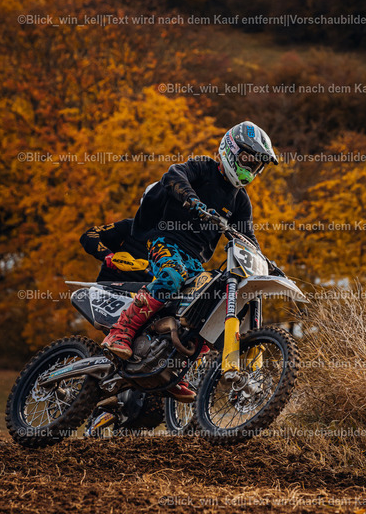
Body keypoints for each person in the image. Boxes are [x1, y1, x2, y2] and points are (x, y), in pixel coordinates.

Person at [101, 121, 279, 402]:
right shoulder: (203, 168)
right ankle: (120, 332)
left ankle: (175, 368)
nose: (251, 168)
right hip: (165, 242)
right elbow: (173, 175)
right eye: (248, 159)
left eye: (256, 165)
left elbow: (248, 238)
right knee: (171, 278)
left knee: (209, 306)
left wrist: (268, 264)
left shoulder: (241, 201)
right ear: (231, 150)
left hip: (195, 261)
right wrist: (192, 201)